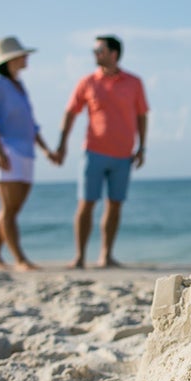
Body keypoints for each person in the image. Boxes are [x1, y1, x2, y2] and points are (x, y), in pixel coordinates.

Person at [56, 35, 148, 269]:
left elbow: (141, 115)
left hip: (123, 155)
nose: (95, 54)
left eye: (99, 50)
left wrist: (142, 147)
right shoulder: (87, 82)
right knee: (86, 203)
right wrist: (62, 143)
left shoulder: (133, 83)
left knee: (115, 205)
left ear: (113, 53)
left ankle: (106, 255)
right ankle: (79, 257)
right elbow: (70, 112)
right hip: (93, 152)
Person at [0, 36, 60, 271]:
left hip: (25, 152)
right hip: (7, 151)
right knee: (8, 209)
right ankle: (19, 259)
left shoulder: (19, 86)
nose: (26, 58)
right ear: (10, 60)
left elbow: (31, 125)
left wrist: (46, 150)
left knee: (12, 209)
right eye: (22, 55)